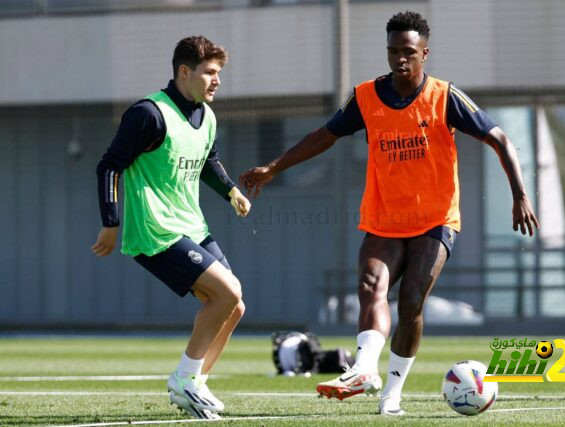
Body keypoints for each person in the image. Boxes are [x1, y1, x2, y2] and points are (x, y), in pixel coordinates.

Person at [240, 11, 539, 416]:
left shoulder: (444, 96)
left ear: (424, 54)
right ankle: (364, 369)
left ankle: (391, 396)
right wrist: (274, 167)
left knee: (411, 302)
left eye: (409, 52)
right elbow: (324, 136)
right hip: (384, 219)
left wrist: (520, 195)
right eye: (393, 51)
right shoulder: (365, 96)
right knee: (370, 284)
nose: (400, 59)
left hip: (435, 221)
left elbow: (499, 137)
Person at [92, 35, 250, 420]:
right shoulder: (149, 113)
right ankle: (184, 379)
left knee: (235, 307)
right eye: (210, 72)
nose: (217, 81)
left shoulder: (207, 116)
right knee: (229, 291)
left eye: (219, 73)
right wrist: (111, 224)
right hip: (155, 229)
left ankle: (193, 384)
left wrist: (231, 191)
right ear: (184, 71)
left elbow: (208, 160)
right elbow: (109, 166)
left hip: (192, 225)